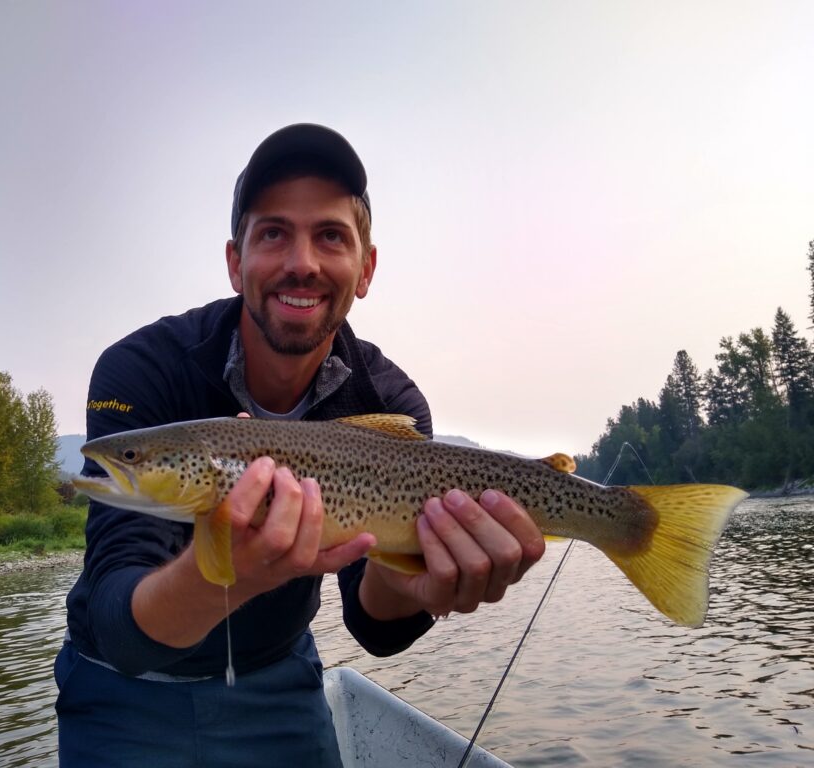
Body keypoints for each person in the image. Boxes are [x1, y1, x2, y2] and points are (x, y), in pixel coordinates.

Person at [55, 123, 545, 767]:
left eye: (331, 236)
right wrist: (221, 572)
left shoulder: (391, 405)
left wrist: (418, 588)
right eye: (274, 232)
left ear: (365, 268)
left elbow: (374, 624)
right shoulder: (142, 369)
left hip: (278, 680)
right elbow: (121, 629)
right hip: (119, 693)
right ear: (236, 262)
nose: (302, 262)